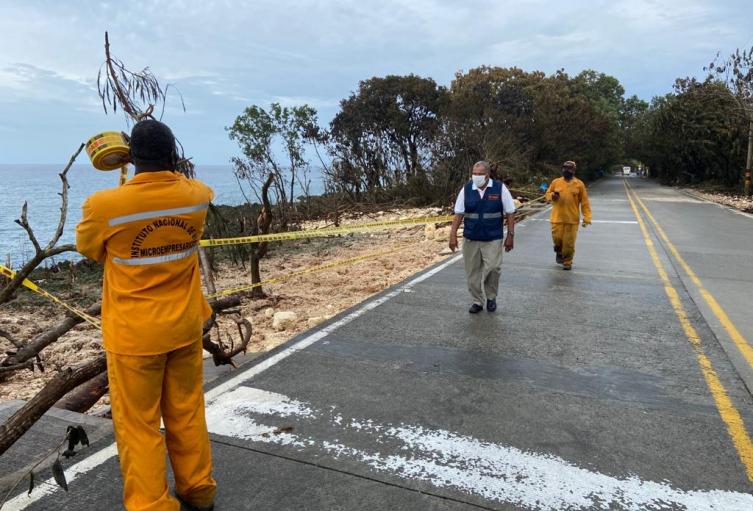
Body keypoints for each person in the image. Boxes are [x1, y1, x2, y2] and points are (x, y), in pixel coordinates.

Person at [76, 120, 216, 511]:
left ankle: (152, 504)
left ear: (131, 155)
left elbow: (89, 248)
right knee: (186, 412)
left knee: (138, 426)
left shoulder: (104, 206)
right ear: (173, 155)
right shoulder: (198, 196)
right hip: (185, 327)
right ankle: (199, 489)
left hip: (134, 337)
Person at [449, 161, 516, 313]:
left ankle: (491, 297)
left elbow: (510, 212)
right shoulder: (466, 189)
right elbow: (458, 213)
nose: (476, 176)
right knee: (472, 272)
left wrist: (510, 235)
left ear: (487, 175)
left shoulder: (499, 188)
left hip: (492, 237)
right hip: (471, 238)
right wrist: (452, 235)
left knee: (493, 268)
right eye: (474, 173)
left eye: (479, 174)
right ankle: (477, 301)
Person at [545, 160, 592, 271]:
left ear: (574, 170)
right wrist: (552, 196)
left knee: (569, 244)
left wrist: (587, 217)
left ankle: (567, 261)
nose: (567, 170)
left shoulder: (579, 184)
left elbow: (585, 203)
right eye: (565, 168)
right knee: (557, 240)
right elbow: (547, 194)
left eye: (569, 168)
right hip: (557, 219)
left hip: (572, 220)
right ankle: (559, 251)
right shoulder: (556, 182)